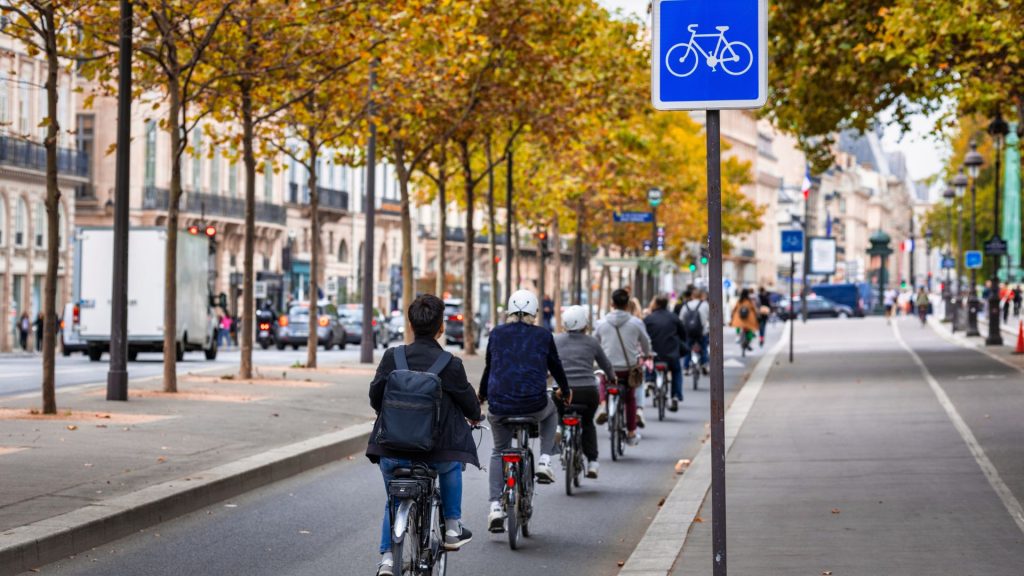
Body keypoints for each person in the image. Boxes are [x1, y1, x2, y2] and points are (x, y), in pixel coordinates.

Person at [366, 294, 482, 576]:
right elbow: (471, 405)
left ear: (410, 324)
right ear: (440, 327)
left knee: (393, 500)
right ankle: (453, 526)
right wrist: (475, 417)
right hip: (435, 454)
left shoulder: (392, 357)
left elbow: (375, 397)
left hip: (391, 451)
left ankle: (387, 561)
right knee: (452, 465)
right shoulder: (450, 363)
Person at [479, 289, 570, 531]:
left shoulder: (496, 333)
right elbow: (556, 365)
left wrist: (481, 395)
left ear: (509, 311)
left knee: (499, 450)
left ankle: (496, 507)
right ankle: (543, 460)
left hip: (499, 406)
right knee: (551, 413)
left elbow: (490, 367)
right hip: (534, 404)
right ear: (535, 313)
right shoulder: (543, 335)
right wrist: (566, 390)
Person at [553, 305, 615, 479]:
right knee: (588, 423)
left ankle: (559, 426)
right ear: (585, 324)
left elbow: (546, 363)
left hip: (564, 392)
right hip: (588, 392)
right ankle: (593, 462)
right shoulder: (592, 342)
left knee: (558, 407)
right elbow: (605, 365)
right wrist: (612, 377)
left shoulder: (556, 341)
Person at [594, 289, 652, 446]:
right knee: (630, 398)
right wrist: (647, 355)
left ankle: (604, 405)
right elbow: (646, 343)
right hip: (628, 369)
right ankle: (631, 433)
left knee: (603, 379)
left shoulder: (601, 323)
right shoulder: (636, 323)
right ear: (627, 304)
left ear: (612, 303)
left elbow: (594, 343)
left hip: (609, 368)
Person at [643, 294, 686, 412]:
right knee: (676, 371)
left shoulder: (648, 319)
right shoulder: (674, 318)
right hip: (671, 354)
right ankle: (676, 396)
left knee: (648, 360)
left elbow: (642, 337)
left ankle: (649, 380)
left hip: (654, 354)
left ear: (656, 304)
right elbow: (683, 334)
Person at [680, 288, 709, 376]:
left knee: (688, 349)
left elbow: (681, 319)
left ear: (692, 296)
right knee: (703, 349)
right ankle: (704, 364)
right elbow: (709, 317)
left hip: (689, 332)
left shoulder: (686, 305)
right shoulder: (705, 305)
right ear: (701, 296)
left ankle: (686, 367)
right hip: (702, 332)